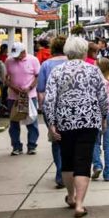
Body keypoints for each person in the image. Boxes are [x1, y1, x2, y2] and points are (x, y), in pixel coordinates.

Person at [42, 36, 108, 218]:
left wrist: (51, 124)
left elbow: (49, 100)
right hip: (88, 120)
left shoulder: (57, 71)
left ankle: (71, 196)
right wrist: (103, 117)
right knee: (83, 161)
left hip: (65, 121)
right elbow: (102, 96)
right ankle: (80, 204)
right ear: (84, 51)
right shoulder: (93, 70)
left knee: (68, 160)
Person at [37, 36, 69, 189]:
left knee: (56, 141)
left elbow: (41, 91)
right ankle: (70, 172)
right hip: (70, 107)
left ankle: (60, 174)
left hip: (53, 109)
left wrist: (43, 109)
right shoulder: (71, 63)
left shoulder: (46, 65)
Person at [5, 41, 40, 155]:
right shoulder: (9, 61)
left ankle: (32, 145)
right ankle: (16, 146)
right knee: (14, 122)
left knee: (31, 121)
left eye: (19, 55)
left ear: (24, 52)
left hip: (29, 96)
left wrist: (30, 87)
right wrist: (13, 87)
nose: (16, 58)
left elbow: (37, 77)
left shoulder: (33, 60)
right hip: (13, 96)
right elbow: (5, 78)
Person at [91, 58, 109, 182]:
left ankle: (97, 164)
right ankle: (108, 173)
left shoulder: (96, 80)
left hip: (97, 113)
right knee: (108, 145)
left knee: (95, 143)